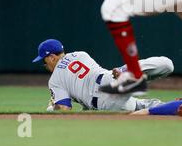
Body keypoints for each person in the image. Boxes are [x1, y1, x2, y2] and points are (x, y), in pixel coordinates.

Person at [32, 39, 174, 111]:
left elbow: (65, 109)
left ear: (51, 57)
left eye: (44, 62)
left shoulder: (55, 80)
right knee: (167, 64)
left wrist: (55, 106)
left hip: (104, 103)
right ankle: (125, 72)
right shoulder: (81, 54)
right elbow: (83, 83)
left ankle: (174, 107)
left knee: (138, 107)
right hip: (109, 79)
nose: (45, 66)